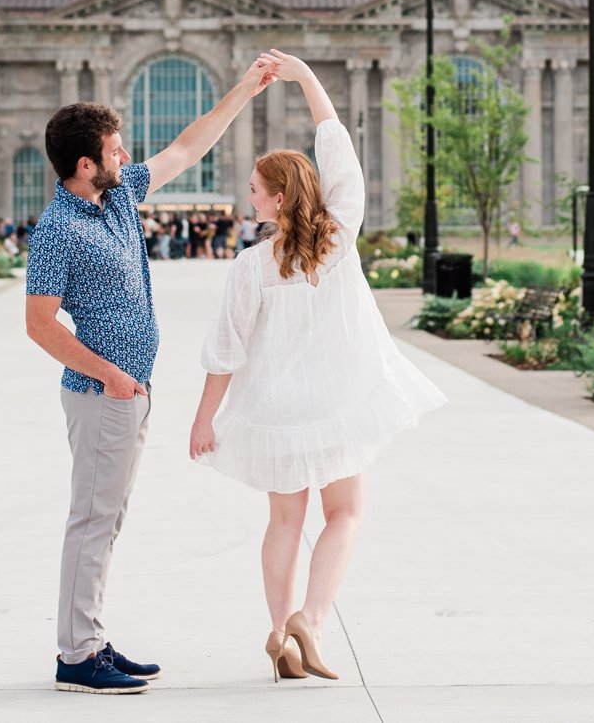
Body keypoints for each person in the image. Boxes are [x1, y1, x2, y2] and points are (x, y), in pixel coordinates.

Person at [189, 50, 448, 685]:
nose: (247, 197)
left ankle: (280, 635)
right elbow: (340, 159)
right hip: (337, 404)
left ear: (277, 199)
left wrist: (204, 419)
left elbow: (225, 350)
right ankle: (313, 620)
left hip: (278, 413)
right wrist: (306, 77)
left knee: (284, 521)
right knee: (347, 514)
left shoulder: (251, 266)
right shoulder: (337, 241)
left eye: (254, 189)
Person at [24, 54, 277, 696]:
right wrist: (110, 375)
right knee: (93, 518)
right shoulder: (58, 230)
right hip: (102, 394)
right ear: (86, 163)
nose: (125, 154)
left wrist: (243, 89)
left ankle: (89, 639)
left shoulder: (117, 198)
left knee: (104, 518)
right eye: (114, 148)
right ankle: (77, 656)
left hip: (126, 394)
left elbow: (186, 148)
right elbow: (39, 324)